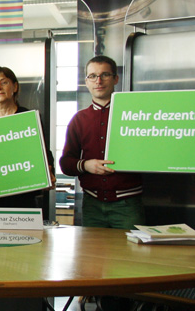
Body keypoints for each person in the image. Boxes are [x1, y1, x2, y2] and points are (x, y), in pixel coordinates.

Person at [59, 54, 143, 227]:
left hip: (128, 204)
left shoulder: (135, 115)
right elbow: (66, 163)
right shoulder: (79, 120)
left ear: (115, 79)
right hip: (92, 205)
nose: (98, 81)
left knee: (131, 246)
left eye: (105, 75)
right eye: (92, 76)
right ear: (86, 81)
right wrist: (86, 165)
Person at [0, 66, 55, 209]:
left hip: (22, 199)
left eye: (4, 82)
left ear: (15, 86)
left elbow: (43, 152)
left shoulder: (29, 118)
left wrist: (48, 172)